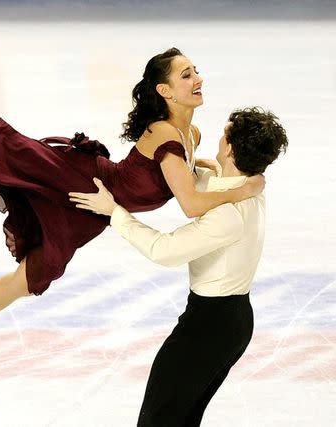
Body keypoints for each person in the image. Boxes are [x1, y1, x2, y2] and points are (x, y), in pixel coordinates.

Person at [0, 11, 264, 387]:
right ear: (165, 91)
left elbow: (181, 175)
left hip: (91, 207)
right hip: (81, 183)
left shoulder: (190, 135)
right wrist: (243, 188)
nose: (198, 78)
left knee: (37, 273)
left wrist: (208, 166)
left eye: (196, 70)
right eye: (186, 74)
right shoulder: (167, 134)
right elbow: (189, 204)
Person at [69, 107, 288, 426]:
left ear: (228, 147)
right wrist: (182, 162)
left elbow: (164, 250)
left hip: (210, 327)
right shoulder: (247, 187)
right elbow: (203, 184)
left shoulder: (228, 213)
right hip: (230, 321)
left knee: (158, 419)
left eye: (224, 134)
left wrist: (113, 211)